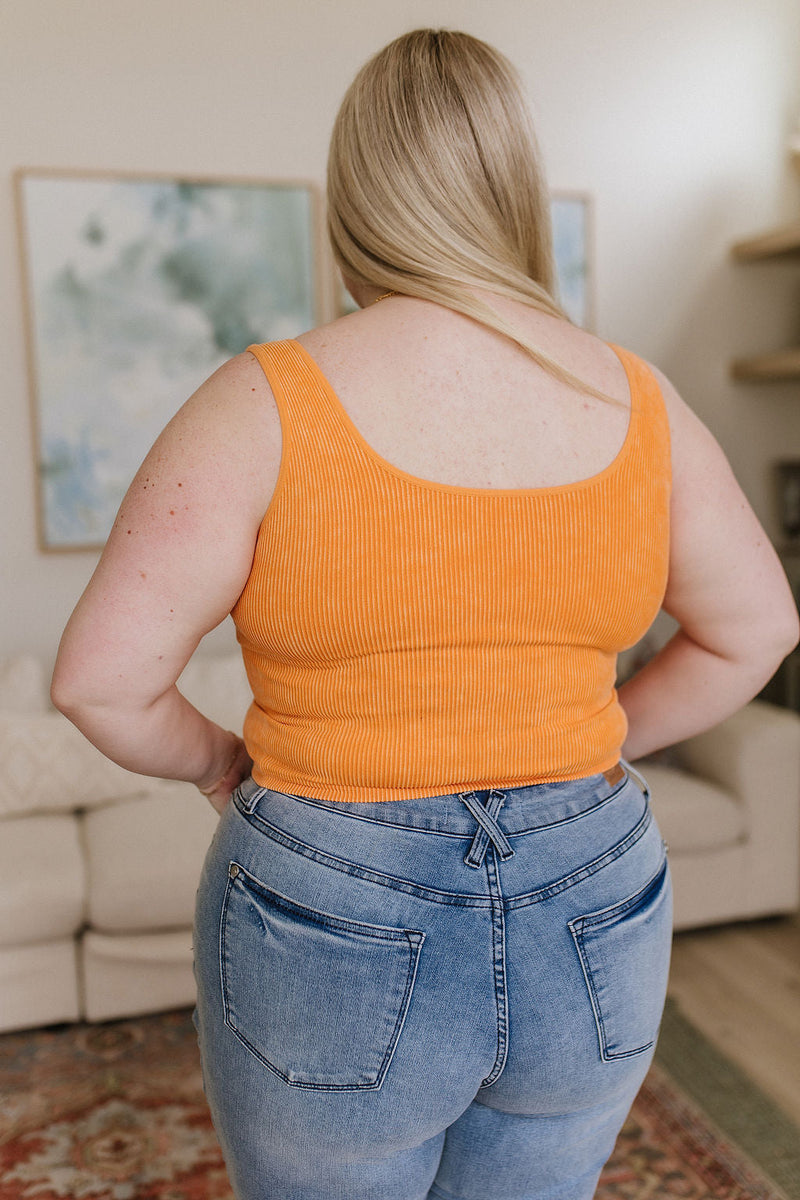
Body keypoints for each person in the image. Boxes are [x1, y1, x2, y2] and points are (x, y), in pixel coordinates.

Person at [51, 28, 798, 1200]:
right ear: (514, 195)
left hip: (335, 891)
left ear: (355, 200)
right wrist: (589, 738)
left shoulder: (265, 402)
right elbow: (756, 629)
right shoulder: (638, 399)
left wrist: (219, 768)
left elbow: (99, 681)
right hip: (592, 889)